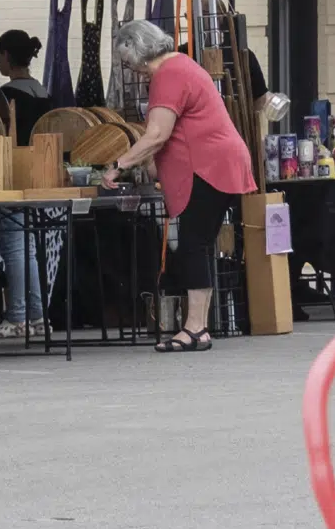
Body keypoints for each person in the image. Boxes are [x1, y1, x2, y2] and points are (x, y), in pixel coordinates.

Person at [101, 20, 259, 353]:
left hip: (208, 167)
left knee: (193, 245)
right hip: (220, 163)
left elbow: (157, 135)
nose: (131, 69)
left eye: (128, 61)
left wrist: (118, 166)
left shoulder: (168, 75)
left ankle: (195, 329)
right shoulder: (181, 66)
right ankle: (198, 328)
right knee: (198, 245)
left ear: (139, 50)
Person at [0, 31, 51, 339]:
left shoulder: (4, 97)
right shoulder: (43, 93)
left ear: (6, 56)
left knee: (14, 247)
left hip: (11, 175)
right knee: (28, 247)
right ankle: (37, 315)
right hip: (40, 176)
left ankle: (17, 316)